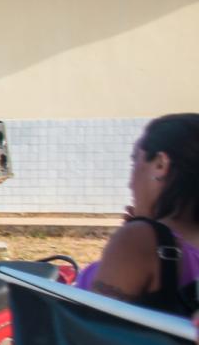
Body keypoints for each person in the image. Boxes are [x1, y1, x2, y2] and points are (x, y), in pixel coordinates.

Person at [78, 114, 199, 315]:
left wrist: (145, 234)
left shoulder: (139, 240)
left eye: (135, 163)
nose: (130, 182)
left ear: (161, 164)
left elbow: (94, 333)